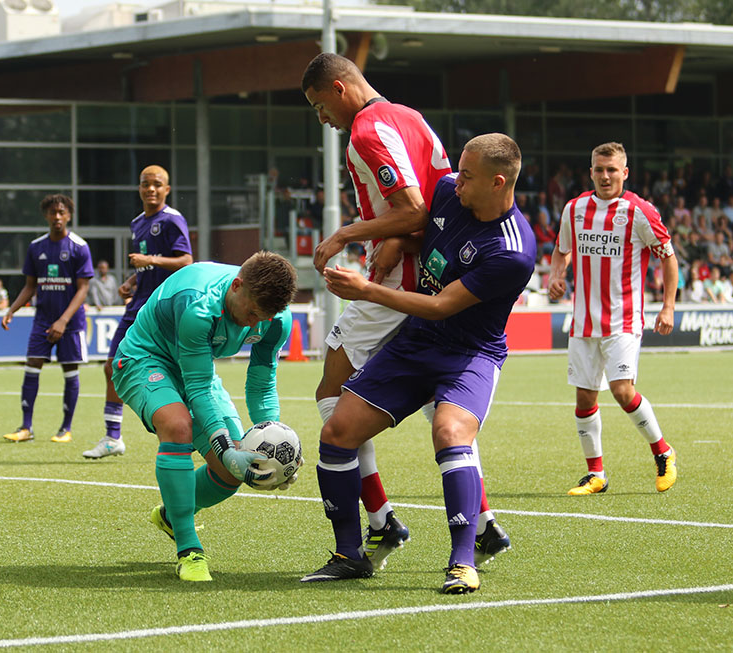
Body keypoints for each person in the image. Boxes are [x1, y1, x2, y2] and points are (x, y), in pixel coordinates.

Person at [301, 52, 510, 571]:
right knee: (433, 409)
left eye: (319, 104)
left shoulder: (367, 132)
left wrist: (350, 234)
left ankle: (379, 522)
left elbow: (417, 206)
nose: (321, 118)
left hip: (401, 282)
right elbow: (447, 200)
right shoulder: (412, 117)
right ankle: (482, 527)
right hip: (432, 270)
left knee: (333, 390)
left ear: (340, 89)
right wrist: (408, 233)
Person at [116, 252, 297, 582]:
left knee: (231, 473)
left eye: (265, 317)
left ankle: (172, 517)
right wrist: (226, 449)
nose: (256, 323)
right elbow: (198, 387)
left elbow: (262, 380)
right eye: (252, 312)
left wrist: (275, 440)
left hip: (195, 367)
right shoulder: (198, 307)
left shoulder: (276, 319)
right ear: (237, 286)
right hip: (146, 358)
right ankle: (189, 550)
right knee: (178, 425)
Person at [547, 142, 678, 496]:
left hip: (623, 320)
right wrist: (556, 276)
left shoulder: (639, 211)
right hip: (583, 322)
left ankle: (663, 452)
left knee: (622, 391)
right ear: (590, 171)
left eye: (612, 170)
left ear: (625, 173)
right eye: (599, 169)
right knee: (585, 400)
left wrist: (668, 306)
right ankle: (596, 475)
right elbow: (562, 250)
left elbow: (668, 258)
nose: (605, 176)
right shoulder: (574, 209)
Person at [82, 165, 193, 460]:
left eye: (157, 184)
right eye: (146, 184)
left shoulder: (172, 219)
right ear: (139, 188)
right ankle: (112, 437)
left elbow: (186, 261)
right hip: (138, 303)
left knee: (177, 370)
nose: (151, 189)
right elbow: (149, 267)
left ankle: (188, 429)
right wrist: (133, 280)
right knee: (111, 366)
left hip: (163, 306)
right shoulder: (137, 223)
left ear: (167, 189)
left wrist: (149, 260)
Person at [1, 194, 94, 444]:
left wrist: (63, 321)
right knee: (32, 366)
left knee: (70, 371)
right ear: (46, 216)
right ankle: (26, 427)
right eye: (52, 213)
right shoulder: (36, 247)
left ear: (69, 215)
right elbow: (30, 285)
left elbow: (83, 289)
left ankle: (65, 428)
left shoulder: (79, 247)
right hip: (42, 320)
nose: (57, 217)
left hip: (71, 324)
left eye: (61, 212)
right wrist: (12, 309)